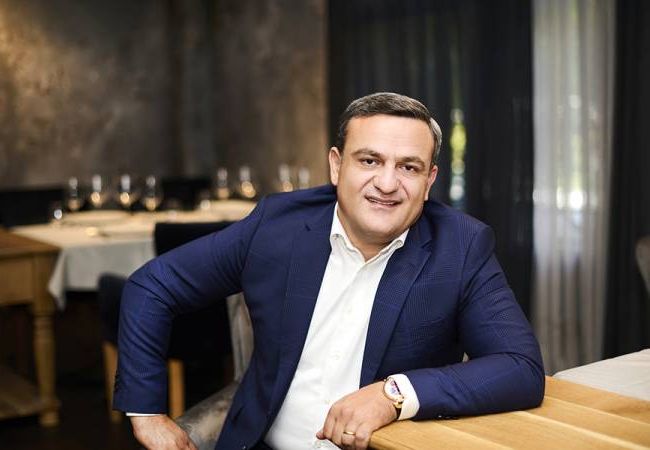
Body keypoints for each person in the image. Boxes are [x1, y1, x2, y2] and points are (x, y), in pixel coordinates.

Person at [114, 92, 544, 450]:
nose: (387, 184)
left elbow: (520, 367)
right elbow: (151, 287)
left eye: (408, 167)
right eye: (370, 160)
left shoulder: (461, 247)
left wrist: (392, 394)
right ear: (337, 166)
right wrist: (146, 412)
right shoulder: (276, 226)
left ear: (429, 181)